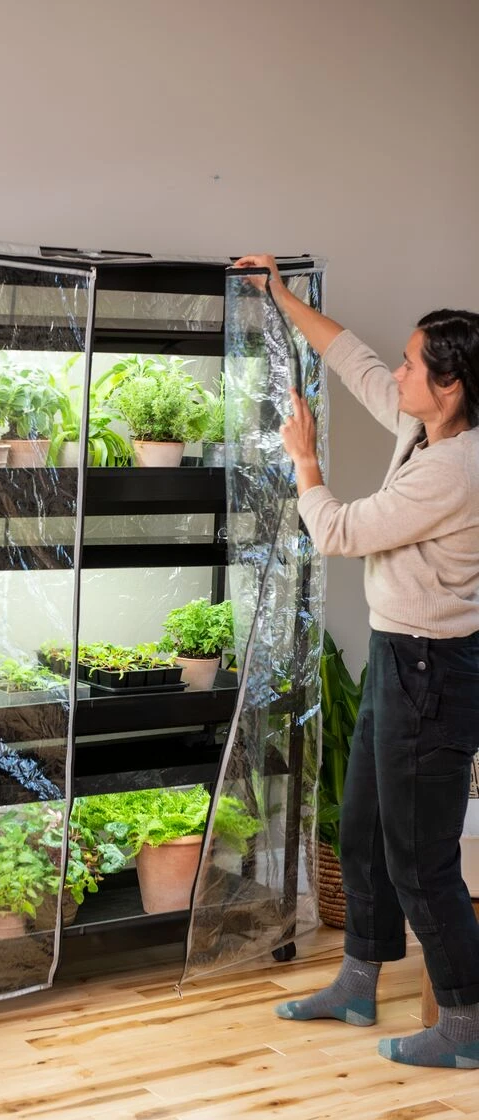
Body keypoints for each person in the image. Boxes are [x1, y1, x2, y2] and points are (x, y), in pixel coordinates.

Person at [232, 254, 479, 1070]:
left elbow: (337, 531)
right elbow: (354, 359)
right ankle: (358, 983)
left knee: (422, 862)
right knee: (364, 828)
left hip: (433, 673)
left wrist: (305, 459)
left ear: (449, 387)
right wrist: (281, 294)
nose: (397, 373)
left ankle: (468, 1026)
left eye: (413, 365)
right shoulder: (427, 427)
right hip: (398, 657)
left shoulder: (455, 470)